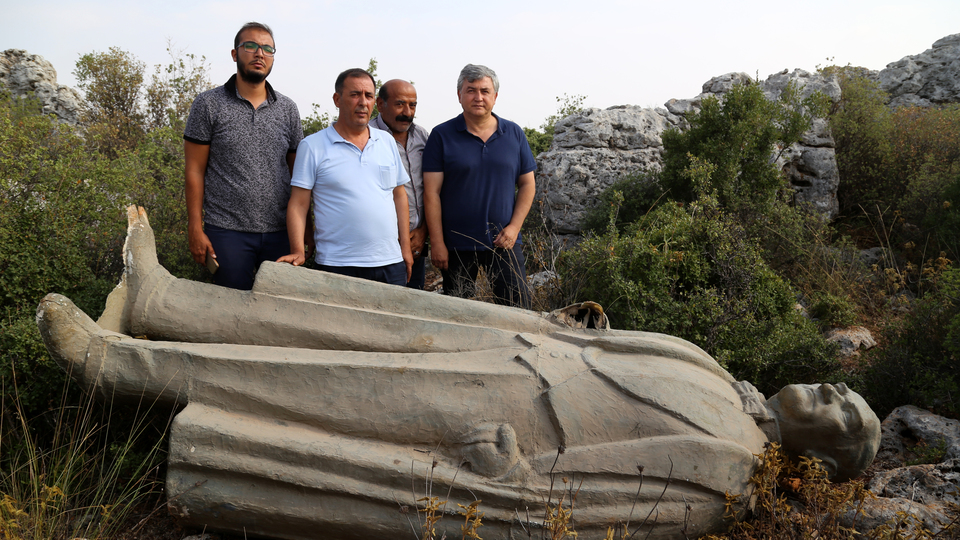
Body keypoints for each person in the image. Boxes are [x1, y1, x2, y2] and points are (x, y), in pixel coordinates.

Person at [37, 206, 881, 540]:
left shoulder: (730, 473)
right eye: (846, 389)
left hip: (508, 411)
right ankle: (161, 299)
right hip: (515, 340)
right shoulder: (721, 373)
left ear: (817, 462)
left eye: (845, 414)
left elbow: (608, 510)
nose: (837, 393)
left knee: (299, 382)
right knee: (330, 320)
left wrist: (512, 478)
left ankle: (118, 365)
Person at [183, 22, 303, 290]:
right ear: (235, 54)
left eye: (267, 48)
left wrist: (305, 230)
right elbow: (194, 170)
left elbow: (299, 177)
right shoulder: (208, 104)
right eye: (250, 46)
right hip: (226, 231)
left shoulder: (288, 109)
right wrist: (195, 227)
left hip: (280, 232)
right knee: (230, 309)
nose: (259, 54)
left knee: (277, 310)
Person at [280, 69, 412, 286]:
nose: (363, 102)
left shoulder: (386, 141)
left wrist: (404, 249)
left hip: (390, 263)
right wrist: (298, 250)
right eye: (355, 95)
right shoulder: (312, 146)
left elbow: (399, 195)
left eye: (368, 96)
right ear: (337, 99)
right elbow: (298, 203)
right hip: (337, 265)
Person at [423, 64, 536, 308]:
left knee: (517, 310)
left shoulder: (514, 133)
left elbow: (528, 184)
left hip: (505, 242)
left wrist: (514, 228)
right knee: (458, 314)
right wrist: (438, 243)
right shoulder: (441, 135)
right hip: (457, 245)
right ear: (459, 95)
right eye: (471, 90)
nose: (478, 97)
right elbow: (431, 193)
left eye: (485, 91)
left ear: (495, 96)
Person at [370, 79, 430, 289]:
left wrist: (423, 231)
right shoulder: (367, 136)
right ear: (380, 104)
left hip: (417, 243)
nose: (407, 112)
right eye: (399, 104)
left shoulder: (423, 136)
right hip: (379, 246)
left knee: (411, 310)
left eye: (412, 105)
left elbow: (430, 189)